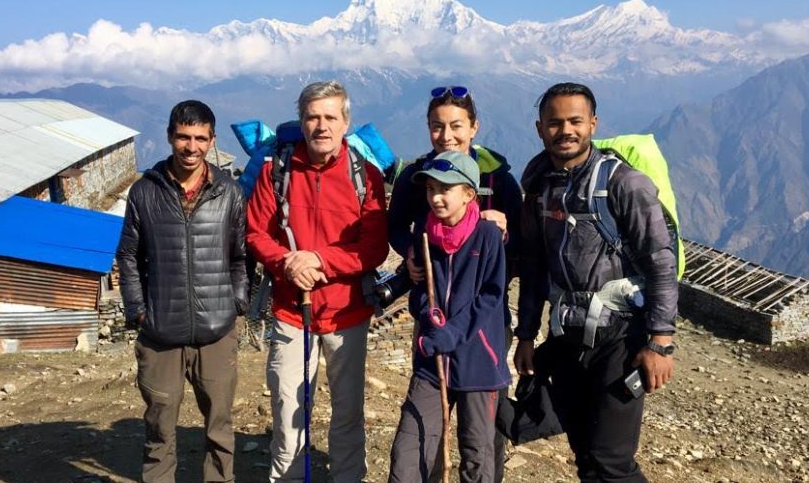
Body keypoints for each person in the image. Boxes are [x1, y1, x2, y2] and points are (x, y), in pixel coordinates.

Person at [513, 82, 678, 482]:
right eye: (555, 123)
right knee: (585, 454)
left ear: (593, 124)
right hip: (567, 336)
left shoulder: (625, 184)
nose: (565, 130)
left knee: (611, 460)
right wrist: (526, 336)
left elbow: (660, 262)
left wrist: (660, 342)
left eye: (575, 121)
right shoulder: (540, 189)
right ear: (540, 128)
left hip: (621, 339)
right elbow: (533, 267)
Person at [246, 80, 389, 482]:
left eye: (330, 117)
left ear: (345, 123)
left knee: (348, 411)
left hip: (347, 313)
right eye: (312, 117)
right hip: (292, 311)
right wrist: (288, 263)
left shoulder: (366, 177)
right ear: (301, 121)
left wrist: (318, 260)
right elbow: (256, 233)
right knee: (288, 410)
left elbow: (373, 247)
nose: (321, 126)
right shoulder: (277, 172)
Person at [386, 84, 522, 479]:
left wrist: (505, 235)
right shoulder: (416, 179)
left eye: (456, 125)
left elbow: (522, 251)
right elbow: (396, 227)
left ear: (474, 127)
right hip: (435, 331)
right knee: (421, 438)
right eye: (437, 126)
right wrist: (412, 255)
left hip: (483, 337)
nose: (446, 135)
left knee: (480, 444)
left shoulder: (499, 181)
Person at [116, 100, 249, 482]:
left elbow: (241, 256)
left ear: (212, 140)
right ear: (169, 136)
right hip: (160, 332)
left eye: (200, 138)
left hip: (216, 331)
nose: (192, 147)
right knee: (159, 427)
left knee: (220, 427)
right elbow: (128, 256)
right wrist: (139, 310)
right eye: (183, 137)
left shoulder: (229, 193)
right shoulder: (145, 193)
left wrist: (236, 303)